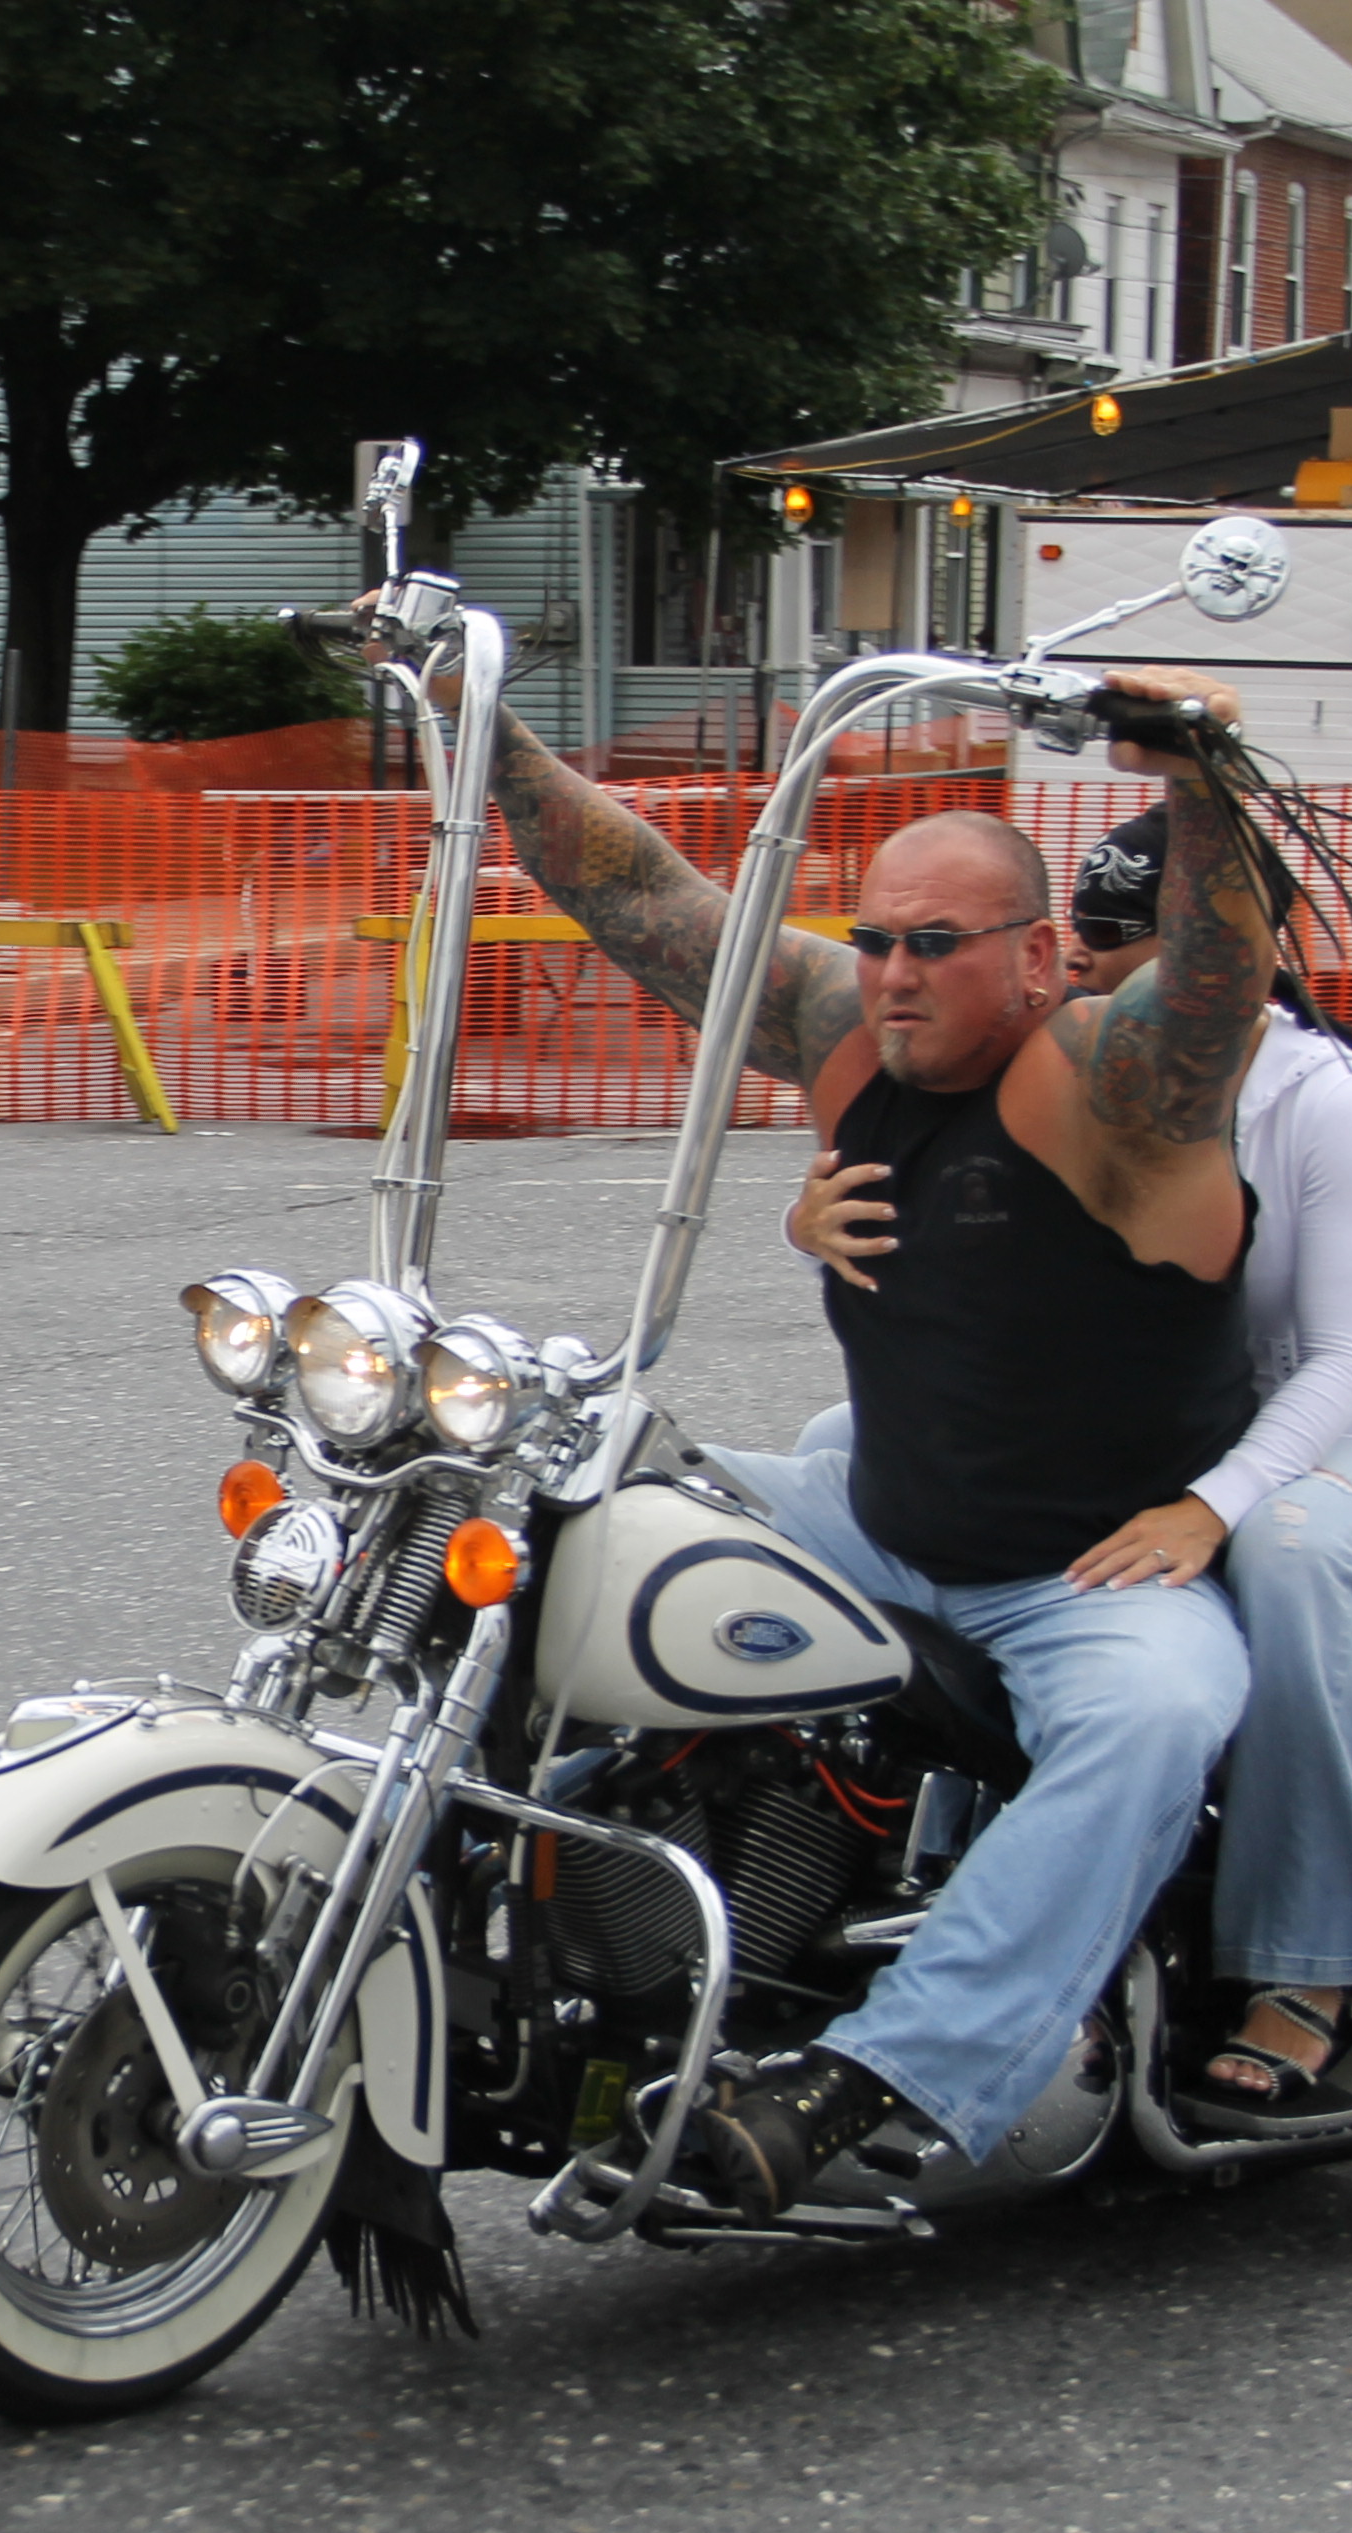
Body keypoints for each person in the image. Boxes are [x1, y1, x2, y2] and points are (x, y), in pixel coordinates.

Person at [487, 684, 1273, 2216]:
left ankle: (879, 2078)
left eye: (937, 943)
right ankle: (500, 1874)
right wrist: (480, 720)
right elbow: (642, 895)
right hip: (876, 1514)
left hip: (1092, 1577)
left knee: (1158, 1719)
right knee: (582, 1505)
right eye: (877, 938)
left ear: (1039, 958)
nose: (895, 972)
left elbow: (1214, 990)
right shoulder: (854, 1039)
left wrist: (1198, 780)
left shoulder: (1111, 1091)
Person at [787, 804, 1352, 2125]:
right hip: (1188, 1440)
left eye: (1128, 942)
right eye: (1083, 938)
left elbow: (1341, 1361)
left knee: (1292, 1556)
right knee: (824, 1447)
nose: (1094, 968)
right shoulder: (1073, 1077)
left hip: (1342, 1452)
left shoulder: (1318, 1097)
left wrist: (1212, 1505)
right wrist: (811, 1219)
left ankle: (1310, 1961)